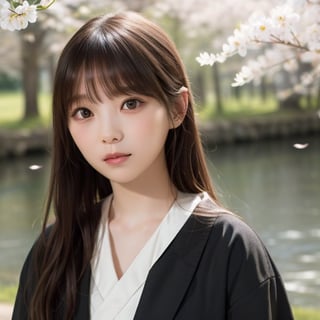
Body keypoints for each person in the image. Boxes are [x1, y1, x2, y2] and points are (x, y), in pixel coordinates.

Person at [12, 11, 294, 320]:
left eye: (130, 103)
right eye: (84, 111)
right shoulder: (53, 251)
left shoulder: (231, 249)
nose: (109, 133)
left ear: (177, 108)